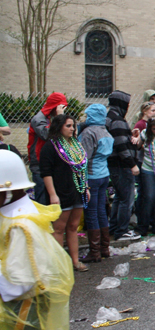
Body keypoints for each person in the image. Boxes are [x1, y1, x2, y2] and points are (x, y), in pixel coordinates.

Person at [0, 150, 98, 330]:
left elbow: (16, 284)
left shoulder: (22, 226)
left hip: (18, 309)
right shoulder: (11, 215)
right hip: (13, 308)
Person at [40, 114, 90, 272]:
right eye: (68, 126)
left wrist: (86, 187)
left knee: (74, 226)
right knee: (59, 228)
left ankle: (75, 262)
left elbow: (82, 169)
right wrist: (53, 194)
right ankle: (58, 265)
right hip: (61, 193)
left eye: (73, 126)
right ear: (59, 126)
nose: (72, 129)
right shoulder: (51, 146)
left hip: (77, 191)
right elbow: (46, 173)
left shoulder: (76, 144)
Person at [78, 104, 114, 263]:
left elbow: (83, 158)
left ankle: (94, 252)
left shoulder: (88, 133)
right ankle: (104, 248)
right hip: (104, 174)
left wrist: (83, 181)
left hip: (91, 175)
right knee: (101, 210)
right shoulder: (105, 131)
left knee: (91, 212)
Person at [105, 91, 140, 241]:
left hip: (114, 165)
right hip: (121, 165)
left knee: (119, 197)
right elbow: (120, 145)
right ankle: (122, 231)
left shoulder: (109, 118)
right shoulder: (117, 120)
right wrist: (132, 164)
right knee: (127, 198)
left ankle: (114, 227)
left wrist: (129, 135)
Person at [27, 92, 67, 204]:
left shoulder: (52, 118)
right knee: (42, 197)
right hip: (39, 162)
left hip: (51, 161)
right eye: (60, 106)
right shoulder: (38, 119)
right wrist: (60, 118)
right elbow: (46, 135)